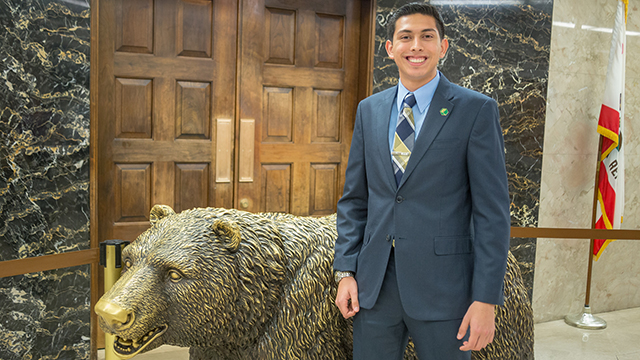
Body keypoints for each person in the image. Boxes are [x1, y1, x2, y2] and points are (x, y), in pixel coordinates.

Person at [333, 3, 511, 360]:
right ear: (390, 48)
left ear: (443, 47)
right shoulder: (370, 110)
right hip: (375, 284)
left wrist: (486, 299)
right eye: (406, 37)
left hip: (445, 289)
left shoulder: (475, 110)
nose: (416, 46)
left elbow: (492, 213)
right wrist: (345, 271)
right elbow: (355, 200)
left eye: (427, 37)